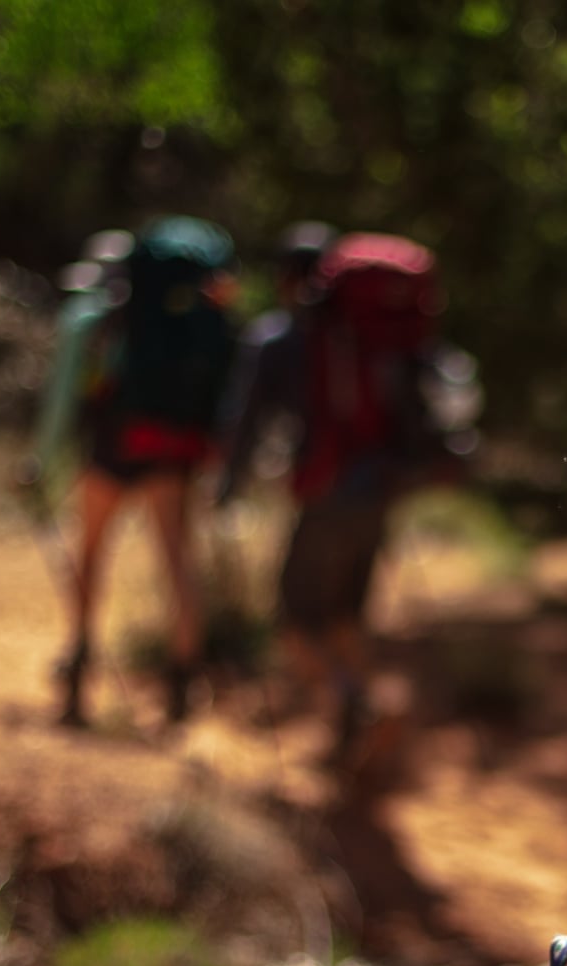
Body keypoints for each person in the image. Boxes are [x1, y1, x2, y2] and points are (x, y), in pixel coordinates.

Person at [217, 226, 477, 758]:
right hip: (383, 489)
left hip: (327, 493)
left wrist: (227, 488)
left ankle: (357, 704)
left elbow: (246, 422)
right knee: (346, 615)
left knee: (292, 620)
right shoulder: (375, 332)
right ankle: (352, 730)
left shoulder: (282, 338)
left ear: (289, 279)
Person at [29, 216, 239, 727]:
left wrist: (41, 459)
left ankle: (79, 663)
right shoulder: (204, 321)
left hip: (112, 448)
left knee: (91, 553)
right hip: (172, 454)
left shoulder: (95, 319)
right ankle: (182, 682)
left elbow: (62, 398)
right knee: (177, 562)